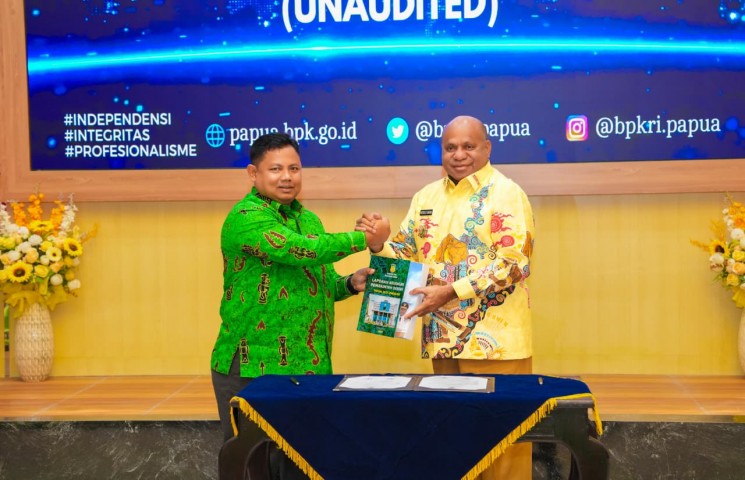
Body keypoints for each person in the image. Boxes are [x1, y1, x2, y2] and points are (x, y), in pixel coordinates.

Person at [359, 115, 535, 479]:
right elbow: (405, 256)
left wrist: (451, 291)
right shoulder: (425, 197)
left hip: (495, 345)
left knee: (503, 444)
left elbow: (514, 264)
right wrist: (378, 244)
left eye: (469, 146)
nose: (459, 155)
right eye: (450, 147)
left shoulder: (507, 193)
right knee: (455, 442)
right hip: (441, 342)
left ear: (487, 148)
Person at [211, 132, 390, 478]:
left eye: (294, 168)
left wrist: (350, 284)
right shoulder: (245, 217)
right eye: (276, 169)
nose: (287, 177)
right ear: (253, 173)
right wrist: (366, 238)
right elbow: (300, 250)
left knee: (302, 465)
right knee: (253, 467)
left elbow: (320, 283)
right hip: (253, 366)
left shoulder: (309, 220)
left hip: (307, 368)